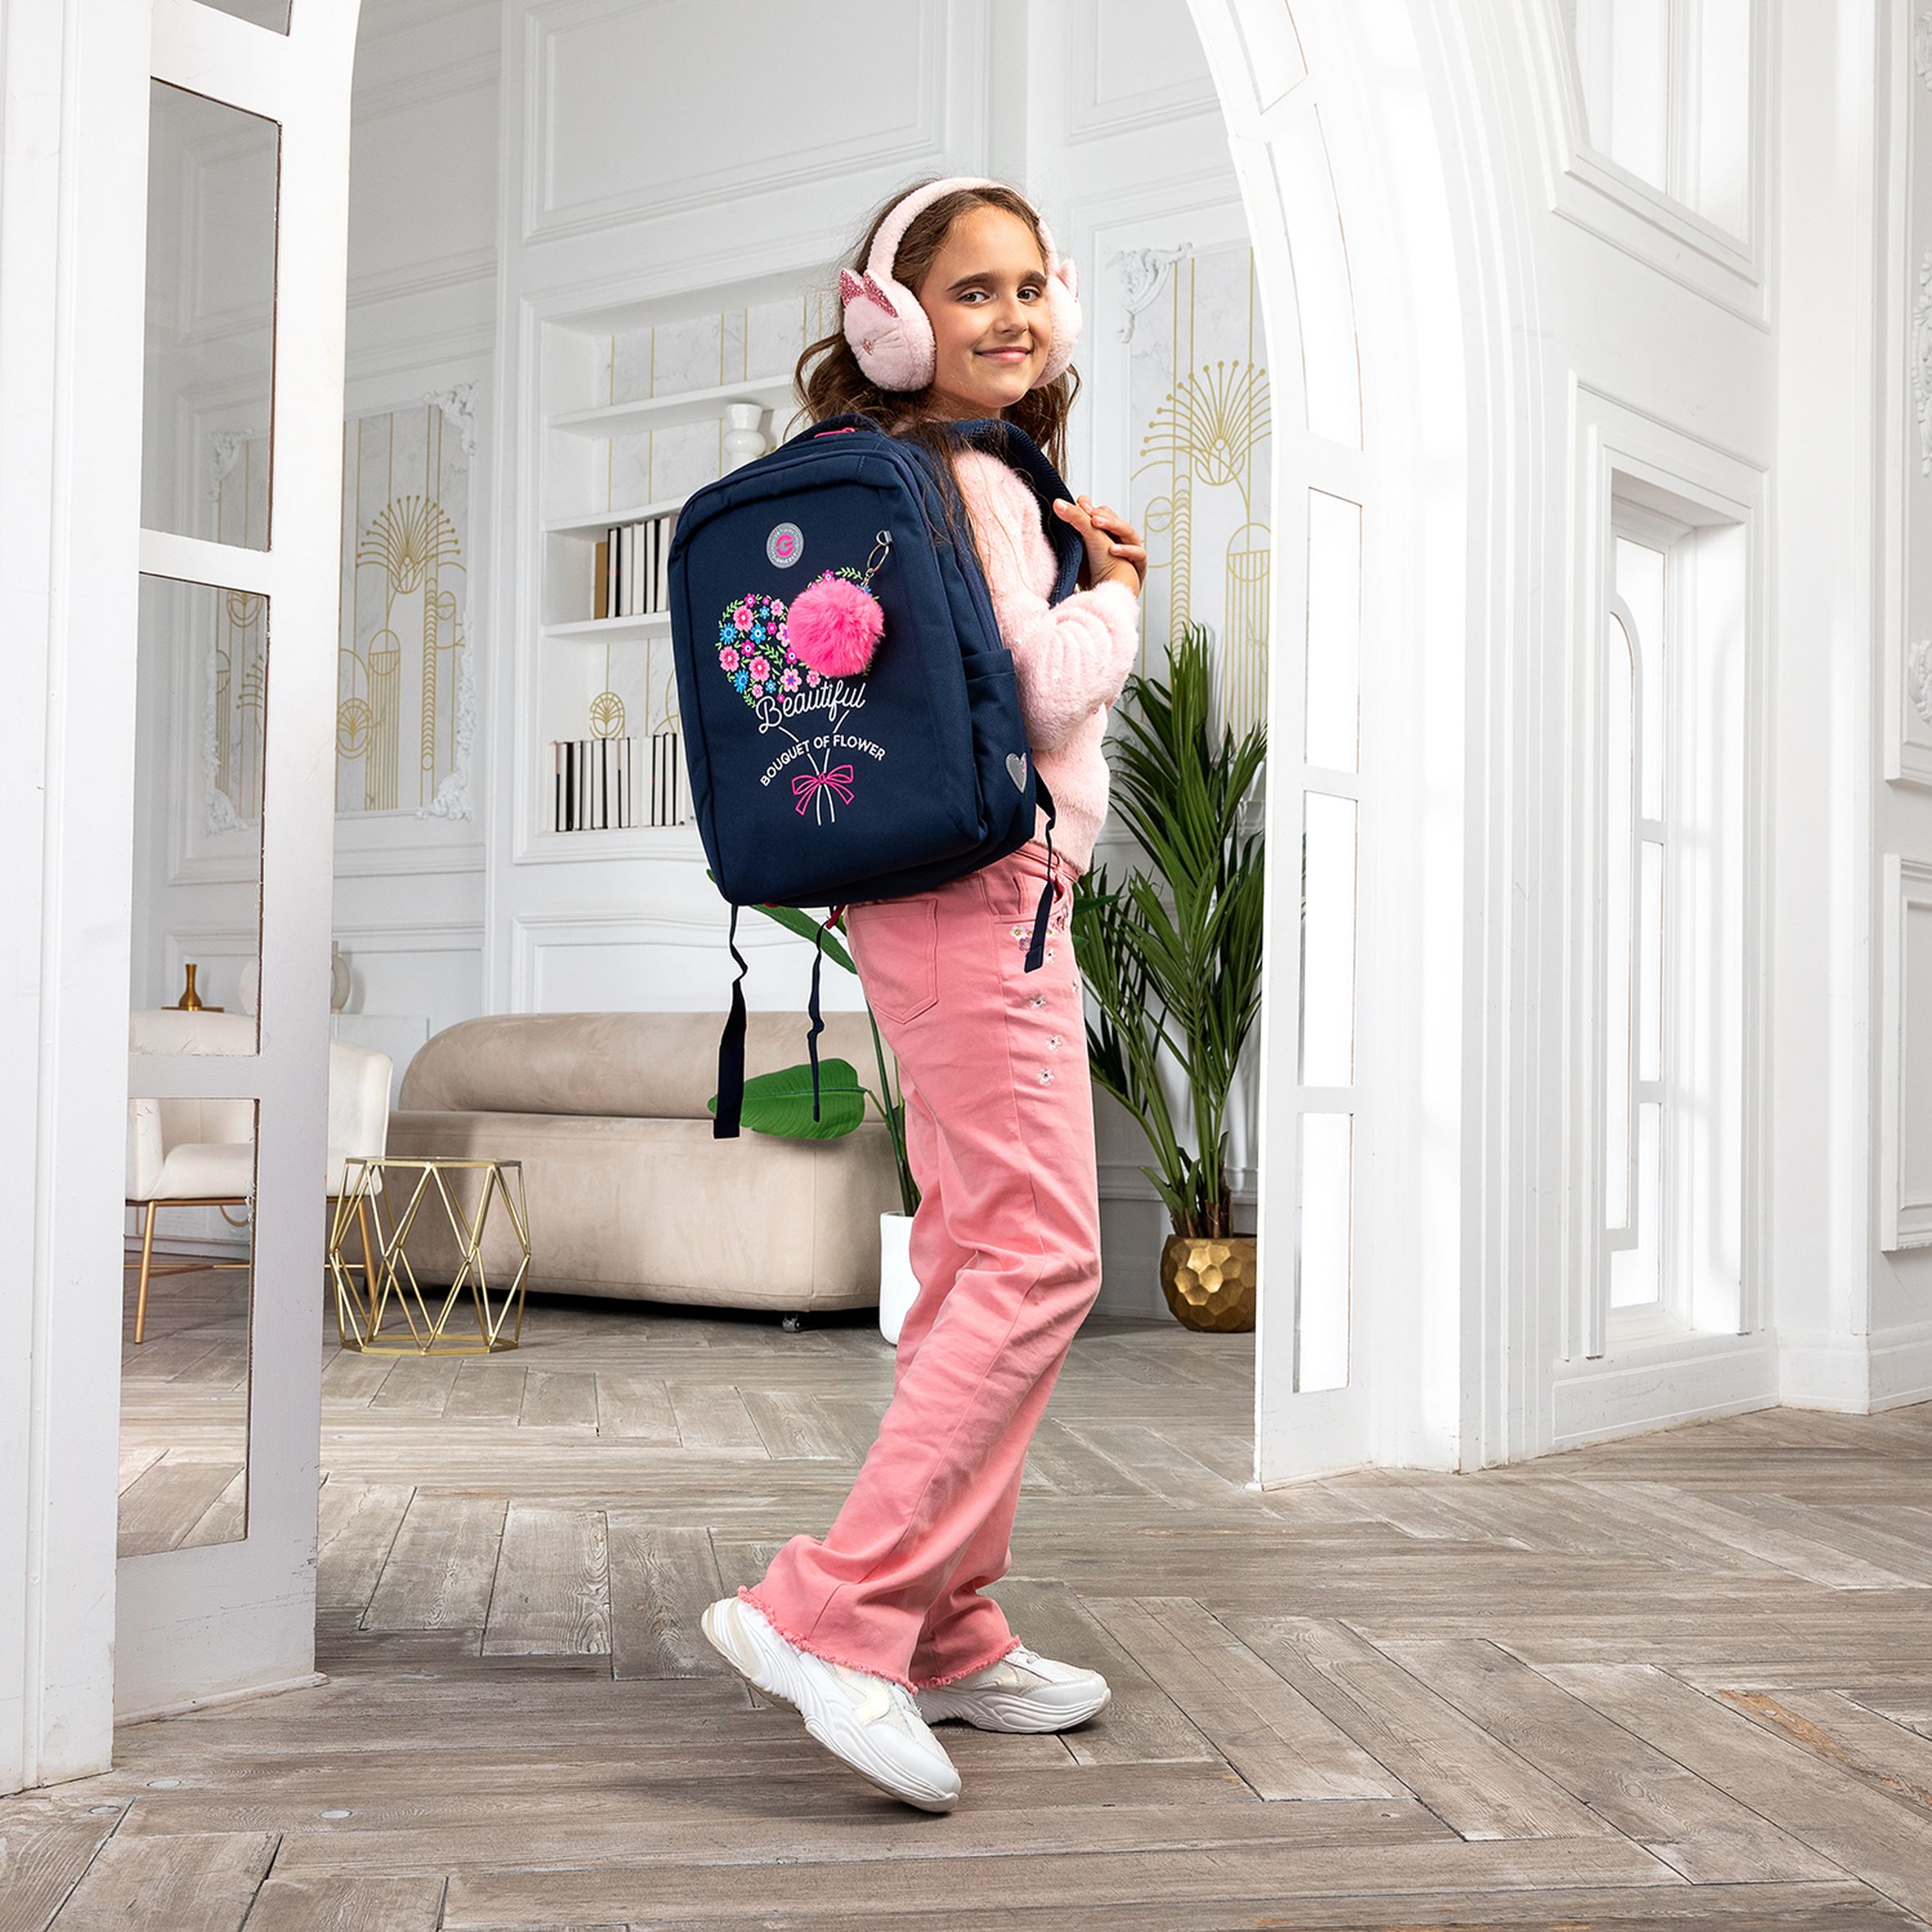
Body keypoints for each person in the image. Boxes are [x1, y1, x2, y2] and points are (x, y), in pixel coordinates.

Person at [702, 177, 1147, 1813]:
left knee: (975, 1258)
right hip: (986, 896)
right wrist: (1118, 599)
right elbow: (1036, 687)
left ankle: (948, 1625)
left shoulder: (929, 469)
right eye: (973, 291)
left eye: (1030, 286)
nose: (1013, 316)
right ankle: (829, 1612)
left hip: (926, 899)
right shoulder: (977, 478)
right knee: (1038, 1254)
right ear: (890, 319)